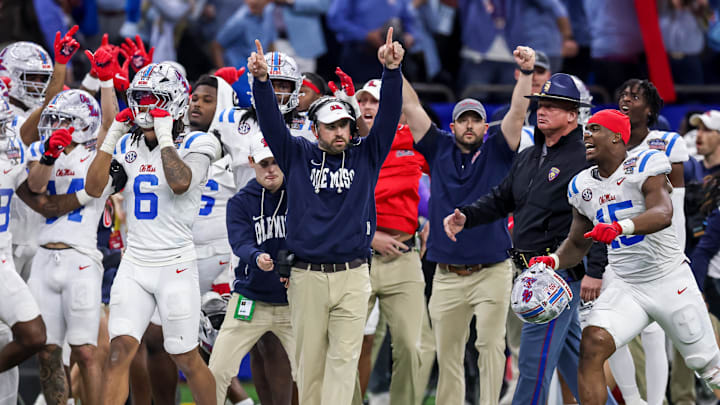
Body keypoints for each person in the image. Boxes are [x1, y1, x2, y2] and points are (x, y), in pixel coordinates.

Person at [522, 109, 720, 405]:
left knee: (708, 367)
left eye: (595, 129)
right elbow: (578, 242)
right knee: (592, 343)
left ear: (617, 137)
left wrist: (619, 227)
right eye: (586, 130)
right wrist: (555, 261)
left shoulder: (645, 163)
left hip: (669, 279)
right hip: (627, 285)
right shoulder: (582, 185)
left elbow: (663, 213)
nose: (586, 135)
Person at [247, 29, 403, 404]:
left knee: (344, 362)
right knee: (309, 366)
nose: (339, 132)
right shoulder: (296, 154)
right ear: (314, 129)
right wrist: (262, 83)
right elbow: (270, 122)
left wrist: (392, 72)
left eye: (344, 125)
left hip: (353, 275)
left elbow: (388, 117)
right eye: (330, 126)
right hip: (306, 276)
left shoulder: (367, 155)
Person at [442, 73, 614, 405]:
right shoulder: (530, 155)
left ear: (572, 115)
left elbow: (599, 215)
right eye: (540, 105)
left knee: (533, 365)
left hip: (557, 273)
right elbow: (501, 198)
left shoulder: (583, 158)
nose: (542, 111)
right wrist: (467, 215)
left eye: (552, 106)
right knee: (576, 363)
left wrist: (596, 268)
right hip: (528, 270)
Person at [402, 45, 535, 405]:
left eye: (476, 119)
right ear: (453, 125)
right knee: (448, 357)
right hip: (446, 274)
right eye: (464, 119)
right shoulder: (437, 147)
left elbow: (519, 112)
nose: (471, 125)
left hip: (492, 270)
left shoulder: (499, 148)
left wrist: (525, 74)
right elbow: (412, 107)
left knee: (491, 348)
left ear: (484, 124)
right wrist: (393, 69)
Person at [84, 62, 220, 405]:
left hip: (175, 264)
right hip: (135, 264)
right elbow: (93, 187)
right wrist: (112, 135)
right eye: (140, 98)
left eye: (153, 98)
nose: (144, 106)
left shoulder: (200, 141)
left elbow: (180, 182)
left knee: (185, 355)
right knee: (119, 352)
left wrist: (163, 138)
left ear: (174, 102)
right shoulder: (129, 143)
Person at [25, 88, 112, 405]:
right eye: (55, 118)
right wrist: (49, 155)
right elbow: (35, 186)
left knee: (86, 351)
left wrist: (106, 83)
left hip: (81, 259)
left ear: (84, 122)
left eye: (65, 119)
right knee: (48, 350)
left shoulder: (95, 155)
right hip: (43, 258)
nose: (58, 124)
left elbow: (111, 125)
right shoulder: (43, 150)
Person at [607, 78, 689, 405]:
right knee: (612, 328)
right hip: (619, 251)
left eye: (635, 96)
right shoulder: (609, 142)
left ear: (650, 108)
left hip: (657, 251)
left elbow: (677, 206)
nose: (626, 99)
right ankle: (632, 399)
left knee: (654, 331)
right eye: (623, 94)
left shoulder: (667, 143)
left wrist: (676, 256)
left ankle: (655, 402)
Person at [209, 137, 295, 405]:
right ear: (252, 164)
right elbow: (239, 242)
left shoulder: (301, 194)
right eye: (263, 164)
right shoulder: (241, 202)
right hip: (250, 299)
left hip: (294, 303)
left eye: (274, 163)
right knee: (217, 371)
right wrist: (256, 257)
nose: (270, 169)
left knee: (311, 373)